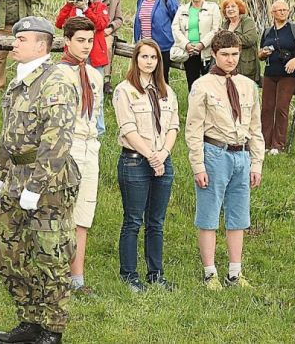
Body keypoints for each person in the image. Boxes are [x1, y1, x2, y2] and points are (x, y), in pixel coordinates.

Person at [0, 16, 79, 344]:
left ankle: (51, 329)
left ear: (42, 45)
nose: (15, 44)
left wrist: (37, 186)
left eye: (22, 39)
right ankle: (29, 320)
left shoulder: (56, 80)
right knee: (10, 252)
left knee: (50, 254)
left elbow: (58, 138)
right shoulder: (18, 82)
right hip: (15, 178)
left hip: (49, 182)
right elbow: (7, 135)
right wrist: (1, 175)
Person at [185, 30, 265, 290]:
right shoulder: (202, 86)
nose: (230, 60)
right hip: (214, 153)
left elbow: (255, 127)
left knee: (239, 216)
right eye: (225, 55)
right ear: (214, 55)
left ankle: (235, 272)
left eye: (234, 54)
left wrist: (256, 162)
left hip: (241, 153)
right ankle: (210, 273)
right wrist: (198, 165)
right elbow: (193, 129)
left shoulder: (247, 85)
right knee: (209, 214)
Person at [112, 38, 178, 293]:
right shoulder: (124, 90)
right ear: (135, 59)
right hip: (135, 161)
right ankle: (129, 275)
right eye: (144, 57)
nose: (148, 62)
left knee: (156, 221)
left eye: (153, 58)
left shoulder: (166, 91)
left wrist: (162, 155)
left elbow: (173, 126)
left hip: (163, 159)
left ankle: (156, 273)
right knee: (133, 220)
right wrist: (151, 156)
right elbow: (128, 129)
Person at [56, 17, 103, 296]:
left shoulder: (95, 76)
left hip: (89, 146)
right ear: (67, 42)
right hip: (65, 146)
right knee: (61, 212)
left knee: (83, 214)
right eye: (80, 41)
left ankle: (77, 278)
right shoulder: (57, 74)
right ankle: (55, 275)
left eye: (90, 41)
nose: (86, 46)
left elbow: (98, 119)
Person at [56, 0, 109, 136]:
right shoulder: (70, 8)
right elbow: (59, 23)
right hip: (73, 57)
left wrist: (86, 9)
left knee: (96, 94)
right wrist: (68, 5)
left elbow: (101, 24)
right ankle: (74, 126)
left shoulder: (98, 6)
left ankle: (98, 129)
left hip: (94, 56)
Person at [258, 0, 295, 154]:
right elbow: (260, 54)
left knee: (281, 107)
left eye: (285, 10)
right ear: (272, 13)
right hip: (270, 73)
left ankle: (278, 144)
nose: (282, 12)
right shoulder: (267, 32)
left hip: (288, 75)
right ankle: (264, 142)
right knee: (267, 108)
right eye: (278, 10)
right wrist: (263, 53)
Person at [172, 0, 222, 90]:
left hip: (207, 51)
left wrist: (202, 44)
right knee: (192, 83)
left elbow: (215, 29)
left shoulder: (212, 8)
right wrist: (187, 45)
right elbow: (175, 28)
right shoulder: (182, 9)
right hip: (189, 52)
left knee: (209, 84)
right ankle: (194, 106)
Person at [133, 0, 180, 83]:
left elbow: (177, 19)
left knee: (161, 78)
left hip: (163, 46)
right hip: (144, 44)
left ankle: (163, 100)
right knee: (144, 77)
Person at [92, 0, 124, 95]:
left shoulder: (115, 0)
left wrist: (110, 28)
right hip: (94, 31)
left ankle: (106, 79)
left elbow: (119, 19)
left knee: (107, 47)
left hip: (107, 32)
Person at [220, 0, 260, 84]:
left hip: (246, 65)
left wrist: (229, 36)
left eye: (233, 6)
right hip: (229, 65)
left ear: (239, 8)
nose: (230, 9)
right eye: (227, 7)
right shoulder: (225, 24)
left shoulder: (247, 21)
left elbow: (250, 39)